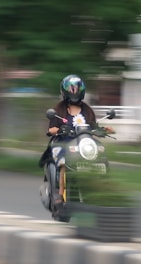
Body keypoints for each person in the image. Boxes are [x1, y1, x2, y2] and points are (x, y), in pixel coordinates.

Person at [46, 74, 112, 205]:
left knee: (101, 156)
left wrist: (104, 130)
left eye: (76, 88)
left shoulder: (87, 111)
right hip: (62, 143)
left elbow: (94, 126)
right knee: (64, 162)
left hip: (83, 144)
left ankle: (102, 190)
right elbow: (51, 129)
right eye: (71, 89)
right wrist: (58, 130)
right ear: (65, 91)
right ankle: (60, 194)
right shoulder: (58, 110)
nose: (74, 91)